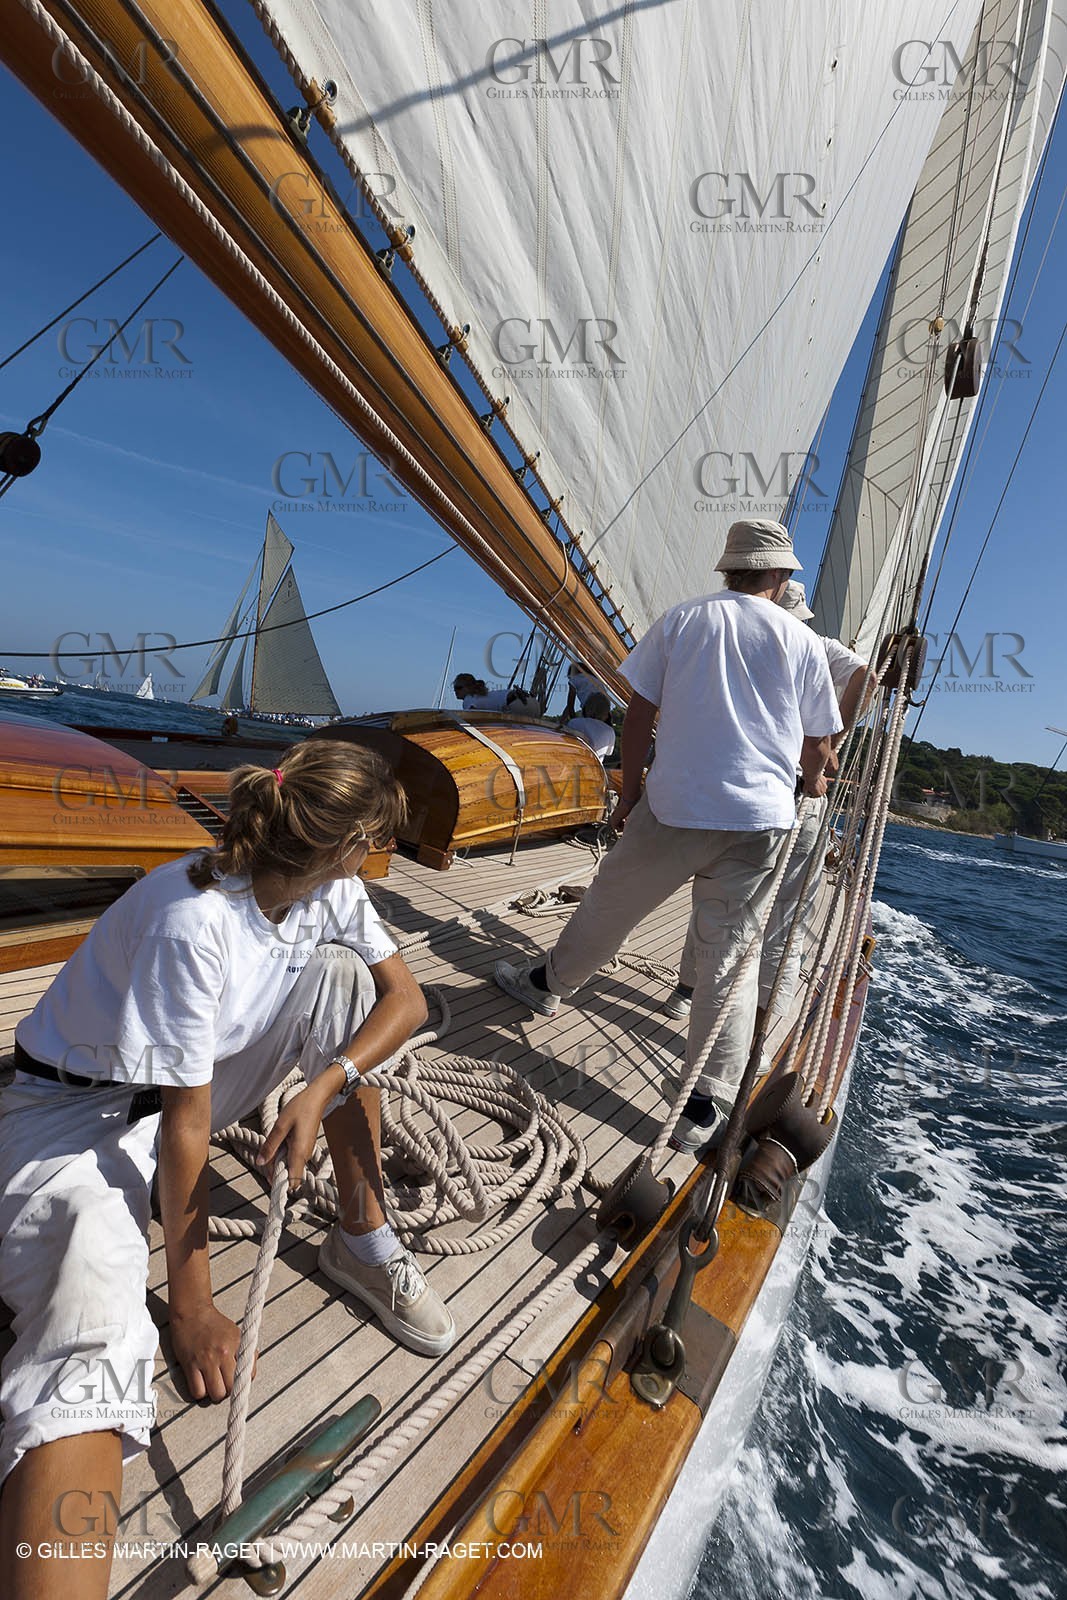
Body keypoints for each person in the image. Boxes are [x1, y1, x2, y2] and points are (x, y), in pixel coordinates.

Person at [0, 742, 454, 1600]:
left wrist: (325, 1083)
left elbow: (407, 1000)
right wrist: (194, 1306)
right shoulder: (193, 920)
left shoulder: (330, 893)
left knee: (344, 987)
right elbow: (187, 1127)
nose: (373, 861)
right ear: (345, 842)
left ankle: (363, 1240)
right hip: (75, 1113)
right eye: (373, 843)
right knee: (94, 1325)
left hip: (188, 1079)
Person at [493, 519, 842, 1154]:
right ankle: (703, 1103)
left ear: (729, 567)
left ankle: (546, 987)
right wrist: (814, 779)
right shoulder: (804, 643)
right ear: (782, 575)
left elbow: (639, 714)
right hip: (762, 821)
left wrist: (628, 793)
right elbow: (818, 747)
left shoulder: (685, 619)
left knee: (611, 907)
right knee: (728, 961)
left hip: (677, 807)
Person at [664, 580, 871, 1039]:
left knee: (716, 901)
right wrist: (828, 746)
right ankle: (759, 1029)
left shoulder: (743, 640)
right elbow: (867, 677)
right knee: (787, 919)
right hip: (799, 799)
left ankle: (685, 989)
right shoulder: (818, 646)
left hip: (746, 801)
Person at [564, 690, 617, 761]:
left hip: (573, 763)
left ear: (586, 708)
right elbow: (609, 752)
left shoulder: (573, 723)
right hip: (594, 768)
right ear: (606, 713)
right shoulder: (609, 731)